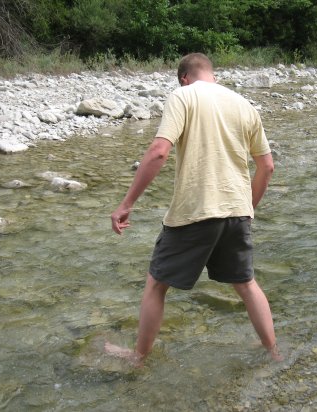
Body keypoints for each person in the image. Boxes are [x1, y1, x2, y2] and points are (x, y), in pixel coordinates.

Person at [105, 53, 280, 367]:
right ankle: (274, 352)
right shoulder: (244, 105)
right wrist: (246, 208)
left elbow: (159, 151)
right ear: (211, 73)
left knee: (157, 284)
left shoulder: (183, 96)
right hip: (237, 212)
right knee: (246, 283)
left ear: (183, 77)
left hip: (195, 211)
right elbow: (266, 166)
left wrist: (126, 204)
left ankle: (138, 357)